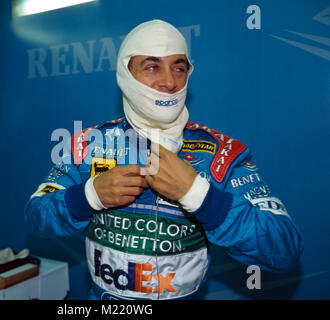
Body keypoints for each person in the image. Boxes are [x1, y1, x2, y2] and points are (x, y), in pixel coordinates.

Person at [25, 19, 303, 300]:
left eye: (179, 68)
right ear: (126, 73)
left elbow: (284, 251)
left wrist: (199, 196)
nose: (169, 82)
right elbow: (36, 217)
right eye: (152, 66)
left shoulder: (222, 153)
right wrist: (88, 197)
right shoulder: (88, 144)